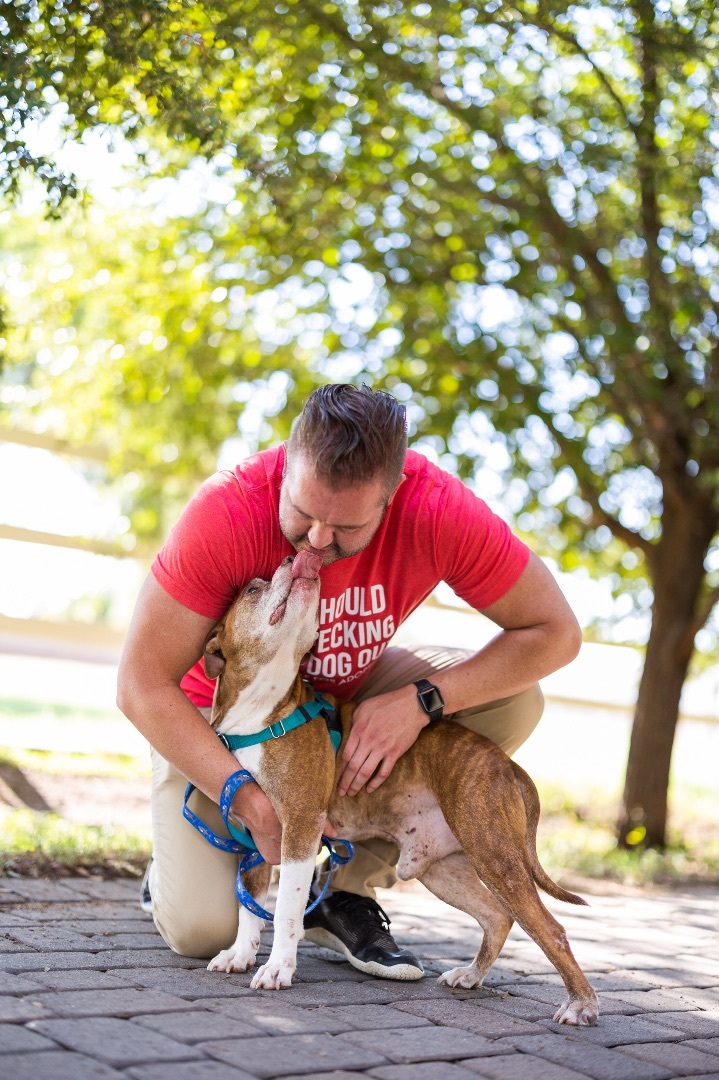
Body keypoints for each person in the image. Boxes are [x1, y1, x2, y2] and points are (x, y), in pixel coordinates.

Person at [117, 382, 581, 980]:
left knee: (515, 697)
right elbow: (140, 685)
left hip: (342, 699)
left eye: (345, 528)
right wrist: (243, 794)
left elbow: (556, 633)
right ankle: (181, 868)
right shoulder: (226, 510)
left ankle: (344, 885)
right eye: (303, 514)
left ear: (393, 498)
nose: (316, 541)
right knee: (204, 932)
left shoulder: (437, 509)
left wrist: (423, 702)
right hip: (220, 720)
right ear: (286, 465)